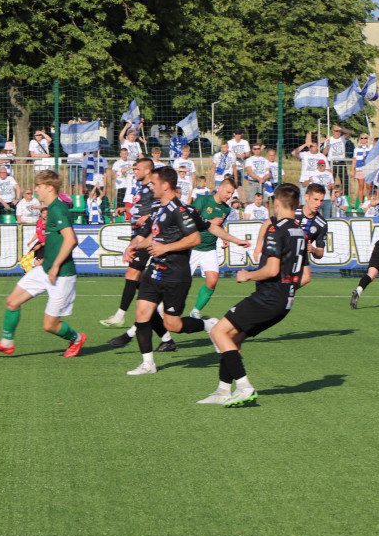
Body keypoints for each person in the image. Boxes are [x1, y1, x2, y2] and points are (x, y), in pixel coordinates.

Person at [197, 183, 307, 407]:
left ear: (275, 204)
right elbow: (305, 277)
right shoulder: (300, 232)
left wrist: (248, 275)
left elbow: (272, 270)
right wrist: (285, 290)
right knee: (233, 339)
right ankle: (223, 390)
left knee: (218, 331)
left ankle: (245, 386)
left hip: (269, 297)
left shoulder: (277, 229)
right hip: (285, 301)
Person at [0, 170, 86, 358]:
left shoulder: (58, 209)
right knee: (12, 302)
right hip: (45, 270)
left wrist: (55, 266)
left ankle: (77, 339)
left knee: (50, 326)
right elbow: (56, 241)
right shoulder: (51, 208)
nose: (35, 190)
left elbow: (70, 240)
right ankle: (6, 343)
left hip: (61, 275)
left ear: (50, 187)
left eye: (38, 186)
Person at [124, 166, 203, 375]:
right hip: (155, 271)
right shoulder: (159, 208)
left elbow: (195, 238)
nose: (151, 186)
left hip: (175, 275)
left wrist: (166, 248)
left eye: (154, 183)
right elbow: (154, 238)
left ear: (165, 186)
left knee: (173, 324)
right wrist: (134, 246)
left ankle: (209, 325)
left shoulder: (179, 210)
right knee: (142, 313)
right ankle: (148, 364)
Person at [101, 158, 157, 333]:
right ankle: (157, 309)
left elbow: (160, 209)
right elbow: (139, 209)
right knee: (138, 278)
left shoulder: (153, 187)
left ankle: (120, 315)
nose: (134, 171)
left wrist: (147, 219)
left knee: (132, 272)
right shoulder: (140, 187)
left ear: (148, 171)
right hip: (136, 232)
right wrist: (125, 210)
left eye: (137, 168)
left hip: (147, 235)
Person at [188, 178, 238, 318]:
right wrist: (210, 222)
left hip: (209, 249)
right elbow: (189, 220)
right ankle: (163, 307)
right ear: (220, 188)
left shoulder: (226, 209)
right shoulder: (202, 200)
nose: (229, 196)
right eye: (228, 192)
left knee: (213, 280)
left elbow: (218, 225)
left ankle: (196, 310)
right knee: (181, 282)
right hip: (192, 247)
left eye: (232, 193)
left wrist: (224, 237)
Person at [323, 126, 349, 195]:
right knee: (331, 180)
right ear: (333, 131)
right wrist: (327, 145)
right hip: (331, 162)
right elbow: (324, 153)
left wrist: (341, 129)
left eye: (339, 131)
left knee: (345, 180)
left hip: (341, 162)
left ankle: (345, 196)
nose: (338, 133)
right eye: (336, 131)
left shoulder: (343, 138)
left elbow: (349, 132)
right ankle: (330, 195)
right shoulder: (329, 140)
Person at [352, 132, 373, 201]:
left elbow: (377, 146)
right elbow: (354, 159)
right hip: (360, 169)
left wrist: (373, 141)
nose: (363, 139)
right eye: (362, 138)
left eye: (365, 138)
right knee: (361, 186)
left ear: (367, 139)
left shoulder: (370, 147)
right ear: (360, 139)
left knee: (369, 186)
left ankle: (368, 200)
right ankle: (361, 202)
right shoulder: (357, 149)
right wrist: (353, 169)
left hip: (368, 169)